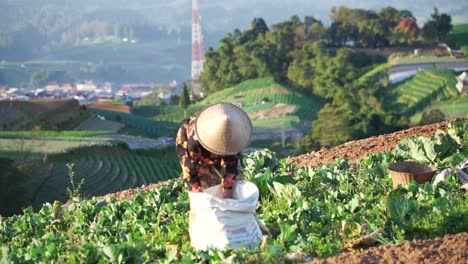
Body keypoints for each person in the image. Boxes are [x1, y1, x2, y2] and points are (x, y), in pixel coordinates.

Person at [175, 102, 253, 198]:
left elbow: (230, 167)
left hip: (215, 152)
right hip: (196, 154)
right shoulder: (193, 141)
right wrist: (195, 188)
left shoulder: (232, 136)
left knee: (237, 184)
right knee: (205, 190)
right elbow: (189, 168)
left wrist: (228, 193)